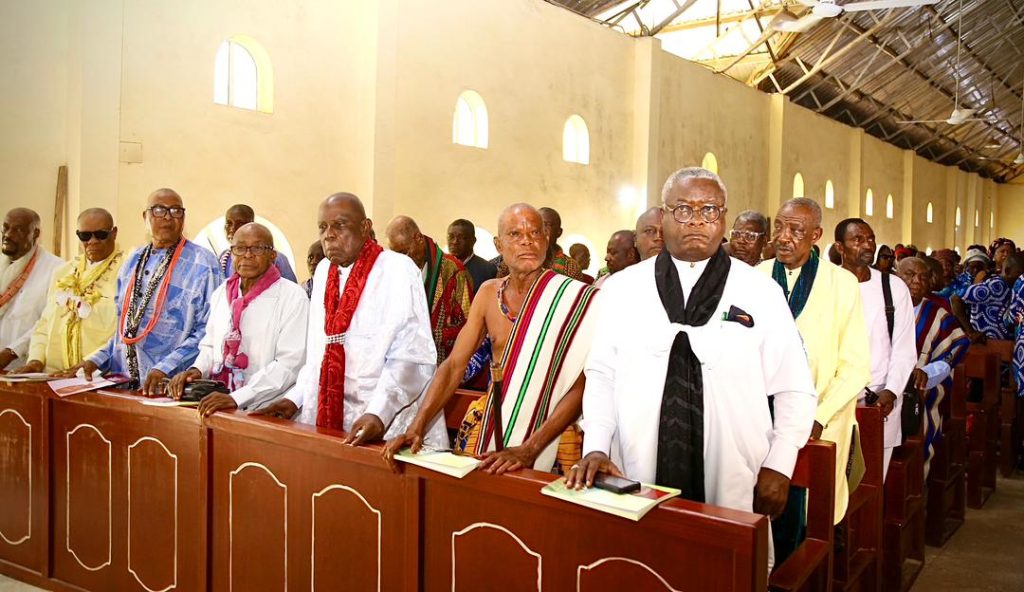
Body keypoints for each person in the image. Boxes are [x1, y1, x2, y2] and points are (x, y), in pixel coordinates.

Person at [568, 168, 817, 572]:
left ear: (724, 220)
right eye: (683, 209)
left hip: (733, 473)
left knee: (724, 571)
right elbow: (601, 374)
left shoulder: (759, 291)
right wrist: (596, 444)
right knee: (638, 569)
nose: (696, 220)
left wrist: (779, 463)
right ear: (662, 218)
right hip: (635, 466)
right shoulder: (621, 289)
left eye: (709, 210)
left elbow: (794, 387)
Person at [383, 203, 599, 474]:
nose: (527, 242)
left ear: (546, 241)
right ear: (498, 244)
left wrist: (530, 449)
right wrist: (417, 425)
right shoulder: (488, 294)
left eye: (534, 233)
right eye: (515, 234)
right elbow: (453, 367)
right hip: (495, 423)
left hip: (554, 437)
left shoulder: (574, 299)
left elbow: (582, 384)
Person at [255, 193, 446, 448]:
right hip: (327, 414)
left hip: (384, 418)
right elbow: (318, 352)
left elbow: (412, 356)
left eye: (340, 225)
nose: (329, 235)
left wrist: (380, 412)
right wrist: (296, 399)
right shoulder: (324, 272)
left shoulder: (397, 270)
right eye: (323, 227)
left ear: (365, 228)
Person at [758, 198, 871, 529]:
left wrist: (819, 416)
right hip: (763, 419)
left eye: (796, 230)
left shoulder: (841, 284)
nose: (783, 236)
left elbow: (856, 367)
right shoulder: (758, 277)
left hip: (820, 422)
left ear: (816, 234)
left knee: (810, 518)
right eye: (779, 226)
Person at [75, 189, 223, 394]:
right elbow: (125, 331)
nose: (168, 217)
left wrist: (165, 368)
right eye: (159, 210)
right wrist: (96, 360)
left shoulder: (204, 263)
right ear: (145, 216)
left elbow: (210, 331)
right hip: (124, 385)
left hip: (171, 387)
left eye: (176, 211)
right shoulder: (131, 262)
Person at [166, 223, 308, 416]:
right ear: (231, 253)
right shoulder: (222, 293)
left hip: (268, 409)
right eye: (240, 248)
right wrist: (197, 370)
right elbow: (209, 346)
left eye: (257, 248)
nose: (247, 255)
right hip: (220, 403)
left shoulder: (293, 297)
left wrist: (238, 397)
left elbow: (289, 365)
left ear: (272, 256)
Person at [835, 218, 917, 479]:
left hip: (878, 401)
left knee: (870, 486)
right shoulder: (826, 283)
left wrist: (891, 391)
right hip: (833, 403)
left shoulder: (892, 287)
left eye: (870, 238)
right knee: (828, 489)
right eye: (857, 239)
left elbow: (904, 347)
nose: (867, 244)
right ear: (839, 247)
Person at [13, 209, 122, 373]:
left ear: (113, 233)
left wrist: (95, 361)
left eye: (100, 234)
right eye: (85, 236)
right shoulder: (63, 272)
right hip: (54, 375)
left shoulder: (127, 272)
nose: (92, 241)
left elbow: (125, 334)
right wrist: (35, 360)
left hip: (100, 376)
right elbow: (44, 324)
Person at [895, 257, 969, 477]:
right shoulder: (881, 308)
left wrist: (925, 374)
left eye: (923, 277)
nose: (917, 281)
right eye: (909, 275)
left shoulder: (938, 316)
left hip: (917, 398)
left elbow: (955, 349)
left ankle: (914, 489)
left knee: (916, 419)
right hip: (878, 392)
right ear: (896, 277)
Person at [385, 215, 473, 364]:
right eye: (396, 254)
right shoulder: (395, 269)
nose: (402, 259)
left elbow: (469, 327)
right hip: (402, 362)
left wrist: (429, 335)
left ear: (418, 239)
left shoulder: (453, 271)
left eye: (404, 252)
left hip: (442, 362)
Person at [0, 208, 64, 370]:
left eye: (18, 230)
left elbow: (48, 321)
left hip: (22, 367)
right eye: (6, 228)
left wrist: (12, 351)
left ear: (35, 234)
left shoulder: (57, 269)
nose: (8, 235)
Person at [218, 204, 297, 283]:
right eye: (229, 224)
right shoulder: (223, 257)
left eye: (240, 223)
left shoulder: (277, 258)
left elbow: (292, 291)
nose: (232, 229)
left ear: (251, 225)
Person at [960, 253, 1024, 341]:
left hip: (1001, 346)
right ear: (1008, 271)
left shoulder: (1012, 288)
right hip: (986, 346)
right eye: (1020, 274)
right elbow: (955, 299)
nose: (1021, 279)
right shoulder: (996, 286)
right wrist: (971, 332)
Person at [447, 219, 497, 293]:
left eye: (461, 238)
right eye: (451, 237)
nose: (455, 242)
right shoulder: (441, 267)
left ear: (473, 241)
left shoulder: (487, 270)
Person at [539, 207, 583, 279]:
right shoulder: (522, 260)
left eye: (546, 224)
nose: (540, 229)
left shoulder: (571, 267)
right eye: (537, 225)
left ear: (559, 232)